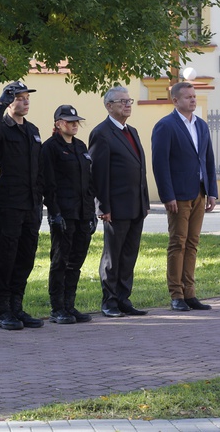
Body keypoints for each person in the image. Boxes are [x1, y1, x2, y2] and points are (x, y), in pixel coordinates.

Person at [0, 81, 44, 330]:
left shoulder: (33, 130)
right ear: (10, 101)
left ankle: (17, 306)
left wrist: (41, 198)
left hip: (31, 203)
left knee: (26, 256)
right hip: (10, 201)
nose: (25, 102)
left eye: (27, 98)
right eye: (20, 98)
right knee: (7, 255)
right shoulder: (2, 127)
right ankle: (2, 309)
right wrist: (0, 104)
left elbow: (39, 169)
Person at [151, 82, 217, 312]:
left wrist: (212, 192)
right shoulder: (165, 126)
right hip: (177, 195)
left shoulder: (200, 125)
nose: (192, 100)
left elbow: (208, 159)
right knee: (177, 243)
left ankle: (190, 293)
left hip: (199, 192)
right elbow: (160, 164)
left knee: (193, 243)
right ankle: (176, 294)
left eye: (194, 96)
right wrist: (167, 195)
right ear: (175, 100)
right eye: (187, 97)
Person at [89, 86, 149, 317]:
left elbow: (139, 168)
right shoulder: (101, 133)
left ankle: (124, 298)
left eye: (129, 101)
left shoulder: (131, 131)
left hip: (136, 205)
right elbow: (98, 173)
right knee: (112, 257)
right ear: (109, 106)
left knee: (129, 255)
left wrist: (144, 202)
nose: (127, 105)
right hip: (115, 207)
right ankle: (110, 301)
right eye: (122, 101)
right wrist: (103, 207)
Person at [40, 105, 96, 324]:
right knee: (60, 260)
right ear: (58, 124)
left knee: (76, 260)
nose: (74, 124)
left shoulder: (81, 146)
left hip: (82, 212)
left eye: (76, 121)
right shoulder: (50, 148)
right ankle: (57, 307)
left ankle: (70, 305)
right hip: (64, 212)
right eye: (69, 120)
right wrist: (54, 213)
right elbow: (48, 183)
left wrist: (91, 212)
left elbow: (89, 182)